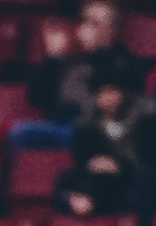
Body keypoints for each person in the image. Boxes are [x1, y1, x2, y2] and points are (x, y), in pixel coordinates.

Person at [16, 0, 145, 149]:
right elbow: (36, 98)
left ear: (112, 29)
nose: (88, 29)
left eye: (95, 24)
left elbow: (125, 101)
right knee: (19, 132)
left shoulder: (124, 61)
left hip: (96, 129)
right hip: (60, 124)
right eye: (85, 22)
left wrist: (100, 52)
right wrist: (53, 57)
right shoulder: (68, 61)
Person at [58, 76, 156, 218]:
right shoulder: (87, 126)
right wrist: (91, 163)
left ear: (123, 93)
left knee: (144, 175)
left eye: (112, 91)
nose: (107, 97)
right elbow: (81, 156)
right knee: (65, 180)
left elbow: (146, 154)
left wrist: (120, 166)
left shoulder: (143, 122)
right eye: (102, 93)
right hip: (97, 174)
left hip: (131, 173)